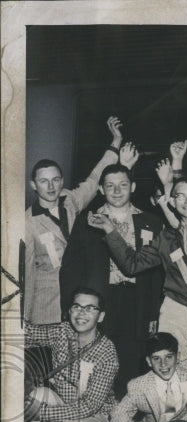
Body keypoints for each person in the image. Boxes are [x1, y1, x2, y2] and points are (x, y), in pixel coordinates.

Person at [88, 177, 187, 360]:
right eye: (180, 196)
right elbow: (132, 265)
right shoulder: (166, 237)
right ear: (172, 202)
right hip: (174, 307)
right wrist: (110, 229)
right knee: (168, 362)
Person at [61, 157, 164, 397]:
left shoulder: (151, 221)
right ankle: (96, 412)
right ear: (100, 189)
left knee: (133, 359)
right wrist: (72, 308)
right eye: (110, 185)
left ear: (133, 187)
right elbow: (71, 269)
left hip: (137, 302)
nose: (117, 191)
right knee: (96, 358)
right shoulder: (87, 221)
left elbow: (157, 275)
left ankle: (128, 415)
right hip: (100, 302)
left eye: (123, 185)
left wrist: (153, 312)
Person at [24, 116, 123, 325]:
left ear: (62, 181)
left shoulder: (70, 200)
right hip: (47, 306)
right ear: (34, 185)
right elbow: (28, 274)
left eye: (56, 180)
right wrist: (24, 318)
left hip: (80, 303)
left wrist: (115, 143)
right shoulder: (27, 222)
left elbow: (95, 178)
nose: (51, 187)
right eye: (44, 181)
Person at [24, 287, 119, 422]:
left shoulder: (107, 352)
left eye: (90, 308)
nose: (82, 313)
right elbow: (29, 332)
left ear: (100, 317)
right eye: (77, 306)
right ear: (69, 312)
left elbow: (89, 405)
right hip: (65, 402)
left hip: (95, 414)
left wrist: (42, 413)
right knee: (37, 395)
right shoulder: (62, 331)